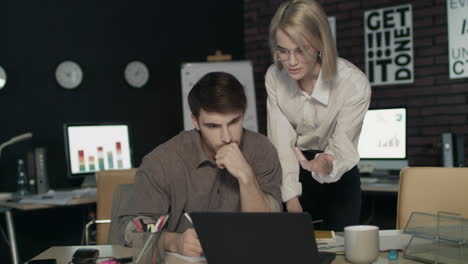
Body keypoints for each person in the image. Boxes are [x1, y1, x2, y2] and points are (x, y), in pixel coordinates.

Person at [118, 72, 282, 257]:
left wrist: (246, 176)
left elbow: (267, 229)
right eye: (213, 126)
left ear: (243, 115)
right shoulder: (162, 161)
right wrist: (173, 241)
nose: (227, 137)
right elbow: (127, 231)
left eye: (234, 122)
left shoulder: (261, 149)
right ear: (195, 122)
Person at [266, 0, 371, 231]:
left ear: (320, 43)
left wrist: (327, 162)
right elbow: (281, 144)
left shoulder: (353, 84)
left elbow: (343, 146)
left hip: (338, 173)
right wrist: (291, 199)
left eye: (301, 50)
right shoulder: (275, 76)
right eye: (283, 51)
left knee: (341, 252)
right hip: (292, 172)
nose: (291, 61)